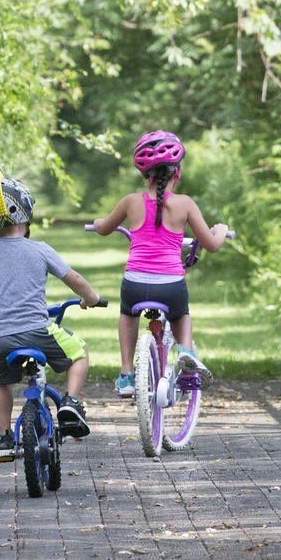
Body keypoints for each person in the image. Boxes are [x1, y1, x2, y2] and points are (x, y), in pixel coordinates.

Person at [0, 172, 102, 463]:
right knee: (80, 351)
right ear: (27, 213)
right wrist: (91, 299)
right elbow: (74, 278)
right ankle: (71, 402)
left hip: (0, 339)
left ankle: (2, 437)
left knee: (0, 380)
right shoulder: (40, 249)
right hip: (39, 331)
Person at [92, 131, 229, 397]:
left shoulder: (130, 202)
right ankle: (186, 354)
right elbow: (212, 244)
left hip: (135, 284)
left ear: (146, 176)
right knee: (181, 314)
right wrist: (220, 231)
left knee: (127, 313)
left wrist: (97, 223)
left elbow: (105, 228)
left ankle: (126, 374)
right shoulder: (185, 204)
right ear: (177, 173)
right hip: (170, 285)